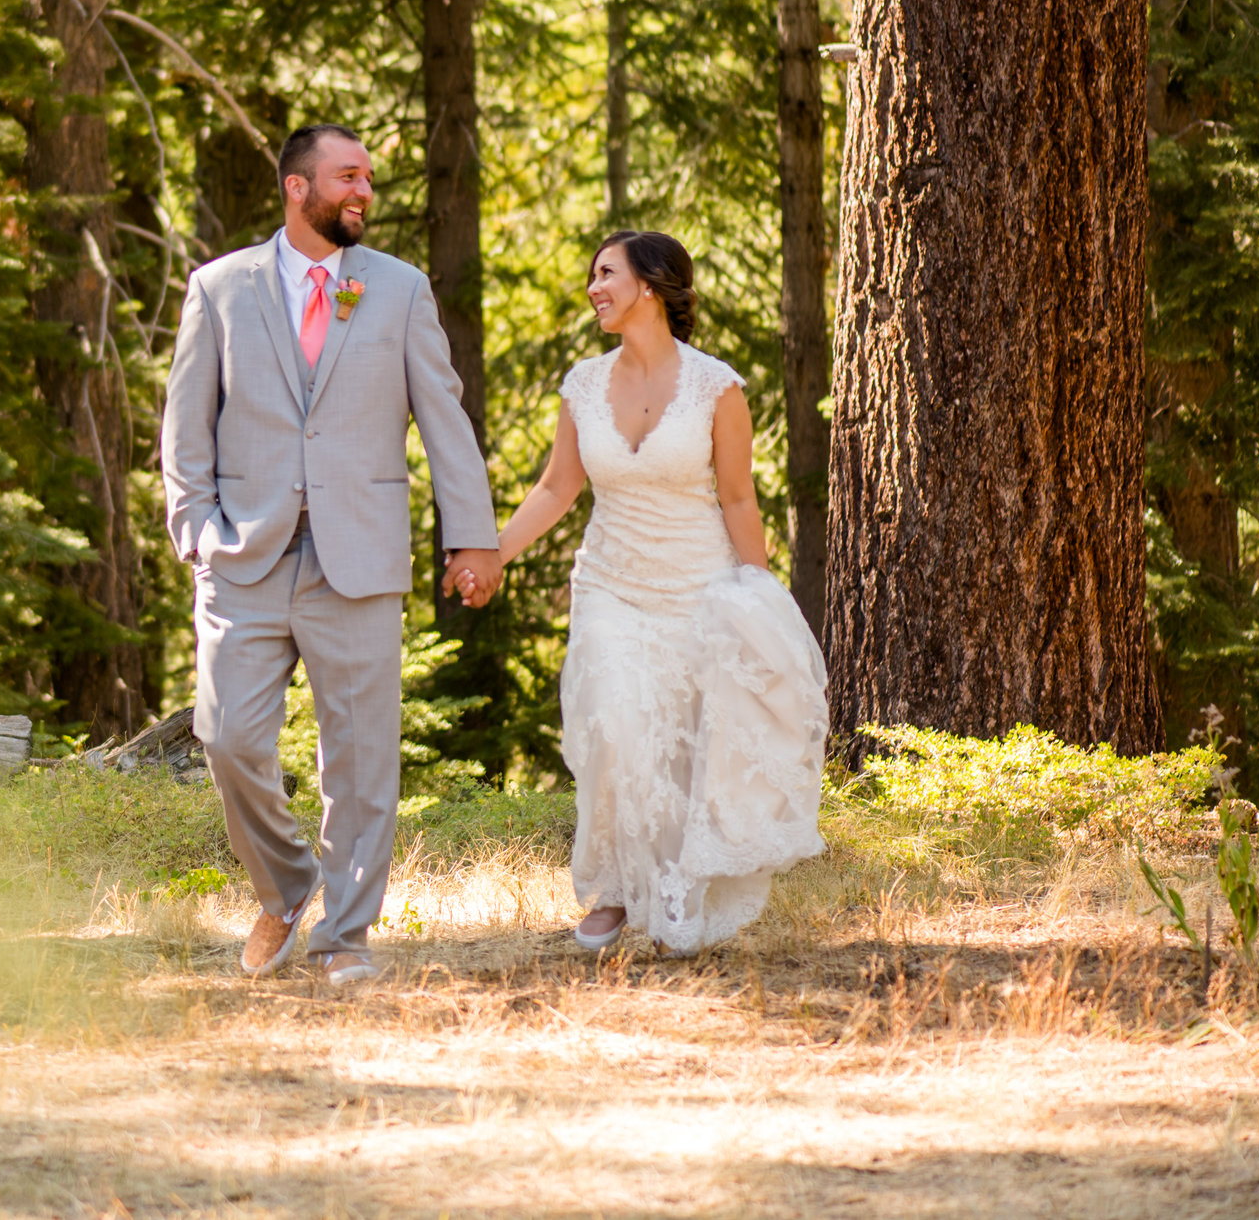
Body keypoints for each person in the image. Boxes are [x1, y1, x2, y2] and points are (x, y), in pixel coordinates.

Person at [160, 125, 501, 985]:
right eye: (348, 176)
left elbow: (445, 419)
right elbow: (184, 426)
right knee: (228, 734)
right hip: (244, 552)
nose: (364, 192)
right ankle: (287, 883)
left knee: (360, 760)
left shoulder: (400, 289)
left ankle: (346, 937)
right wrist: (196, 529)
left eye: (370, 180)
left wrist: (473, 535)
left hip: (360, 551)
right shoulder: (219, 288)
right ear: (295, 186)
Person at [475, 230, 826, 953]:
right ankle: (610, 887)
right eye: (592, 275)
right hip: (609, 586)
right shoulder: (582, 383)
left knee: (680, 746)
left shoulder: (717, 387)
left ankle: (671, 892)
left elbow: (737, 500)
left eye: (607, 273)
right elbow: (556, 487)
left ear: (651, 285)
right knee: (614, 728)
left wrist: (757, 597)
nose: (594, 287)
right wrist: (493, 553)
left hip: (695, 586)